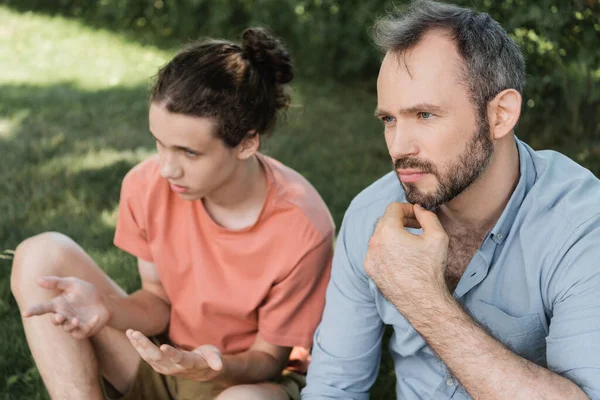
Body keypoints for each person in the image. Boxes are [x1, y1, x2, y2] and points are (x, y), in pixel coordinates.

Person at [10, 27, 335, 400]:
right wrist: (108, 308)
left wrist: (210, 365)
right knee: (40, 253)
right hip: (163, 357)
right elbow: (158, 303)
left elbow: (268, 360)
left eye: (188, 153)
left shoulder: (303, 228)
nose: (166, 169)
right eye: (159, 144)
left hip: (242, 380)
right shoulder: (146, 185)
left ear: (246, 143)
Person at [302, 1, 600, 399]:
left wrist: (424, 300)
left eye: (424, 115)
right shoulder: (372, 214)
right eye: (389, 119)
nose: (398, 147)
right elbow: (332, 388)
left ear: (500, 115)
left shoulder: (581, 226)